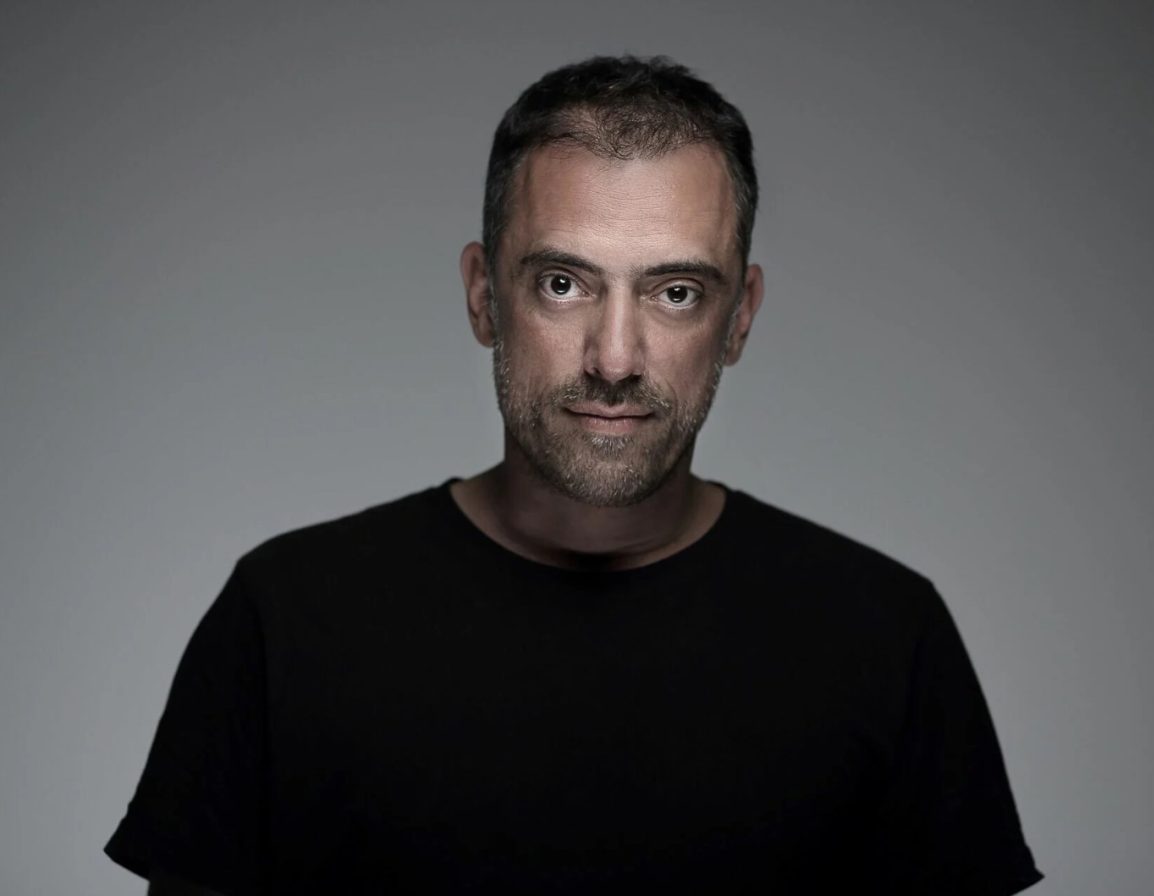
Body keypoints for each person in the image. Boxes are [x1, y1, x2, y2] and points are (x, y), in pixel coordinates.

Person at [106, 55, 1043, 895]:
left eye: (675, 292)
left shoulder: (885, 635)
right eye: (563, 283)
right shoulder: (287, 617)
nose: (616, 358)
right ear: (483, 295)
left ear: (740, 318)